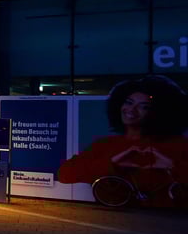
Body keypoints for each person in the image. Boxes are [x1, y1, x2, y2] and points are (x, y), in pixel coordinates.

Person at [58, 75, 188, 208]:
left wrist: (172, 166)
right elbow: (65, 175)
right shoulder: (106, 144)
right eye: (129, 102)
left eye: (144, 107)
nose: (131, 110)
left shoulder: (179, 144)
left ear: (160, 112)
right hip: (118, 214)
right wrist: (112, 163)